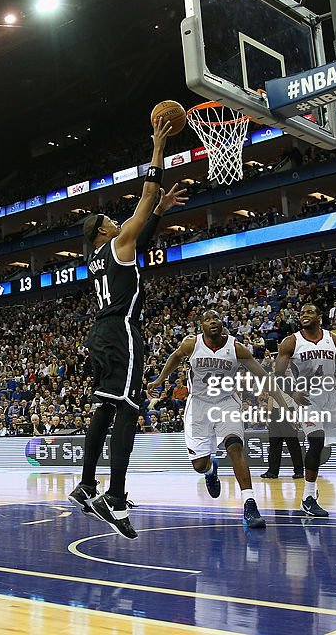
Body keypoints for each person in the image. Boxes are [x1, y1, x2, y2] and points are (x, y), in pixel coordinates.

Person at [67, 116, 187, 540]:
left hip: (100, 335)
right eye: (110, 220)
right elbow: (146, 195)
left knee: (104, 406)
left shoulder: (96, 257)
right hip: (120, 331)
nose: (118, 221)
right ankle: (114, 497)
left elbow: (141, 237)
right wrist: (157, 148)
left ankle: (86, 484)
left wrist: (156, 214)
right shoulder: (117, 243)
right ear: (103, 230)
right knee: (129, 410)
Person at [147, 309, 269, 528]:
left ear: (222, 323)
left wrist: (282, 401)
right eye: (207, 319)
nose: (213, 321)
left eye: (216, 318)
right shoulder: (191, 345)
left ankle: (250, 504)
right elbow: (175, 357)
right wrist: (160, 380)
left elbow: (262, 375)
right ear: (200, 326)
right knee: (199, 465)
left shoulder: (235, 347)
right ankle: (211, 470)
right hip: (199, 406)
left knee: (234, 446)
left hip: (226, 402)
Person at [274, 304, 336, 517]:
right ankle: (309, 497)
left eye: (309, 312)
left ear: (319, 317)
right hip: (308, 400)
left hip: (333, 399)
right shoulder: (291, 342)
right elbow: (277, 374)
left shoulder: (334, 340)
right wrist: (293, 393)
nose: (304, 315)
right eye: (302, 313)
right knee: (316, 442)